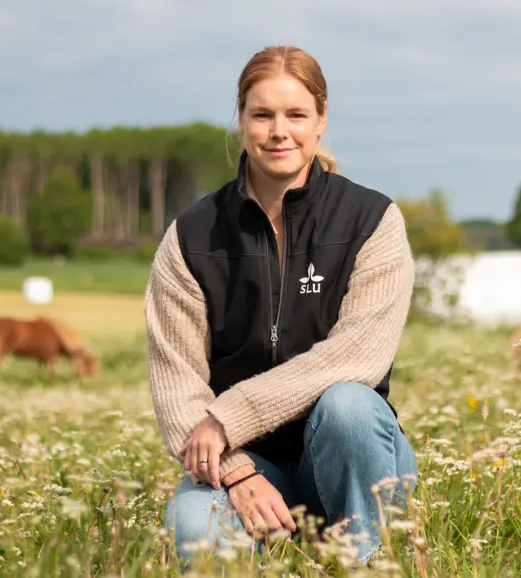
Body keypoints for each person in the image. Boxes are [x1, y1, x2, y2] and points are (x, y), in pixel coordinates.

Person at [144, 44, 418, 565]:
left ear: (321, 120)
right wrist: (237, 470)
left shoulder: (373, 220)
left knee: (350, 405)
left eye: (296, 114)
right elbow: (177, 386)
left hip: (351, 460)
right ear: (241, 120)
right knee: (191, 528)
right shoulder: (190, 237)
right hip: (248, 465)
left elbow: (357, 358)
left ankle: (361, 562)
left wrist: (227, 417)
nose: (279, 131)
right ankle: (267, 539)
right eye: (262, 114)